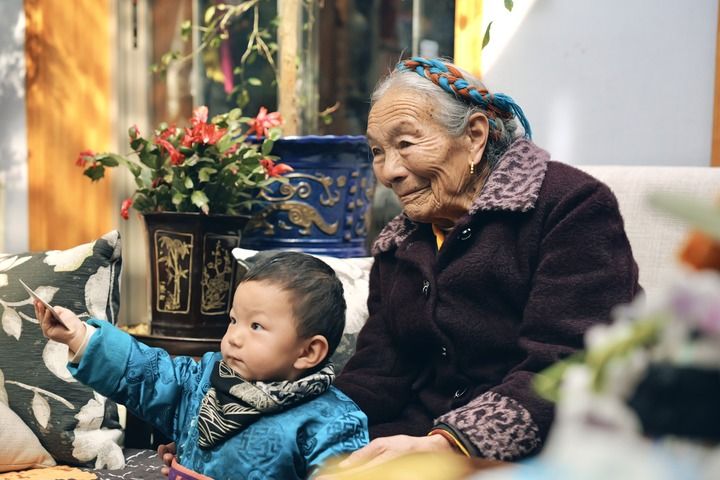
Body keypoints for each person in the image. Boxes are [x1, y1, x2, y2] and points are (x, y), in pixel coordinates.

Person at [326, 57, 641, 471]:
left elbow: (568, 365)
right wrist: (313, 425)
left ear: (474, 136)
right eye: (377, 151)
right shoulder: (401, 241)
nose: (389, 172)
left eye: (405, 143)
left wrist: (447, 444)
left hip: (546, 450)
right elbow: (378, 371)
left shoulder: (569, 207)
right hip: (414, 440)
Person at [37, 251, 368, 480]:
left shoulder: (333, 422)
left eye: (256, 326)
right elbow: (148, 373)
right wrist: (80, 337)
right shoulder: (204, 379)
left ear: (308, 351)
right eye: (234, 320)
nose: (234, 337)